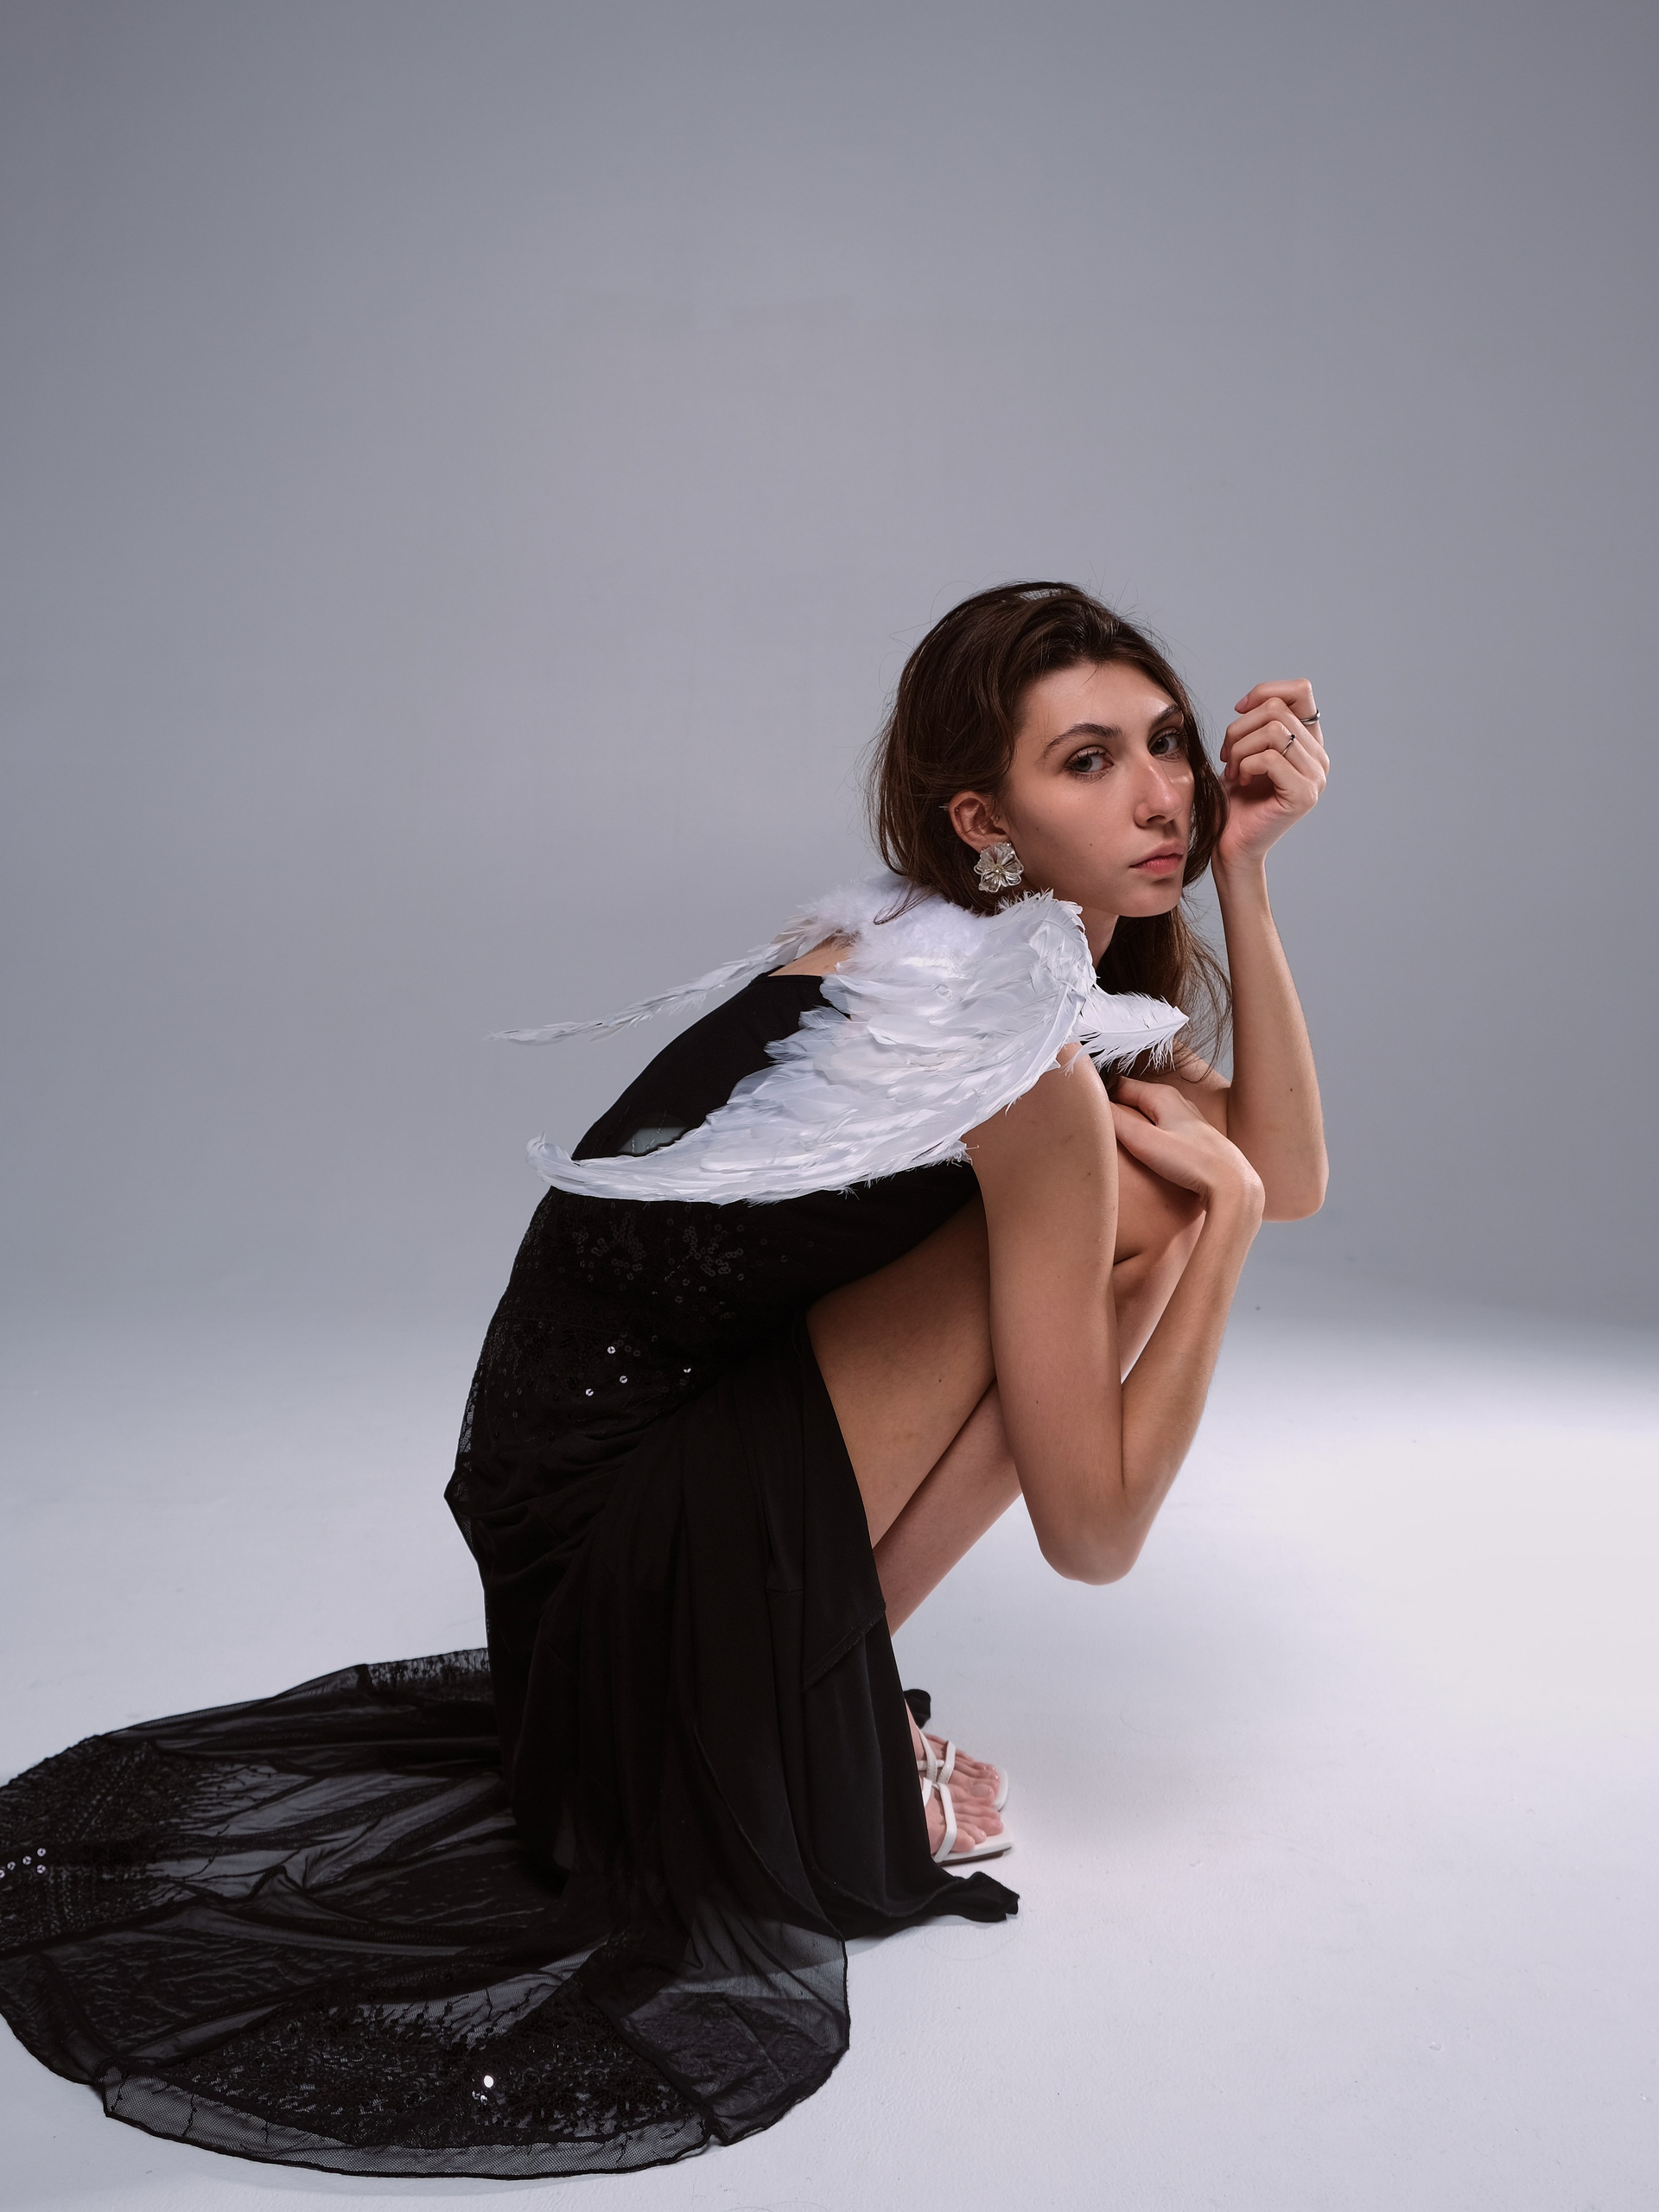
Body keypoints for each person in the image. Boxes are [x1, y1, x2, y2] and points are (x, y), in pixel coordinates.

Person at [0, 582, 1326, 2179]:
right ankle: (785, 1707)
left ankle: (811, 1688)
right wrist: (1220, 1230)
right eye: (1090, 762)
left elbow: (1294, 1169)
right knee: (1158, 1210)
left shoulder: (996, 964)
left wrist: (1248, 875)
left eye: (1169, 745)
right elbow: (1095, 1530)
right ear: (985, 823)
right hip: (619, 1551)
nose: (1164, 794)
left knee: (1142, 1193)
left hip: (595, 1516)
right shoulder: (1005, 1050)